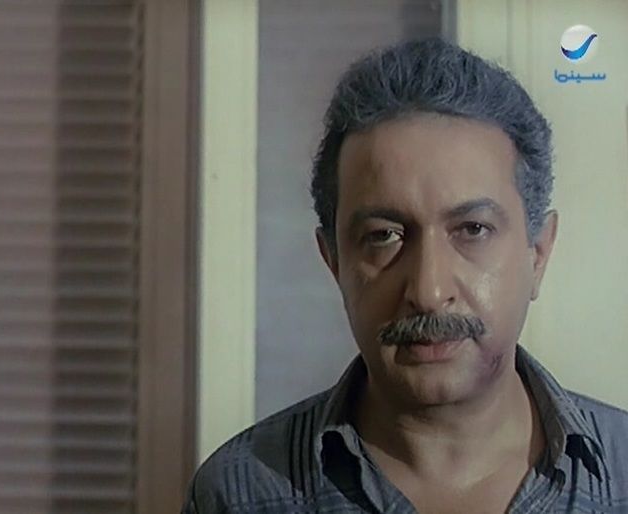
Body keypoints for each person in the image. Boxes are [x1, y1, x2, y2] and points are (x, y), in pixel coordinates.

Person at [181, 37, 628, 513]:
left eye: (472, 229)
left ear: (537, 253)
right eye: (384, 236)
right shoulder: (242, 494)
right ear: (333, 261)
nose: (429, 291)